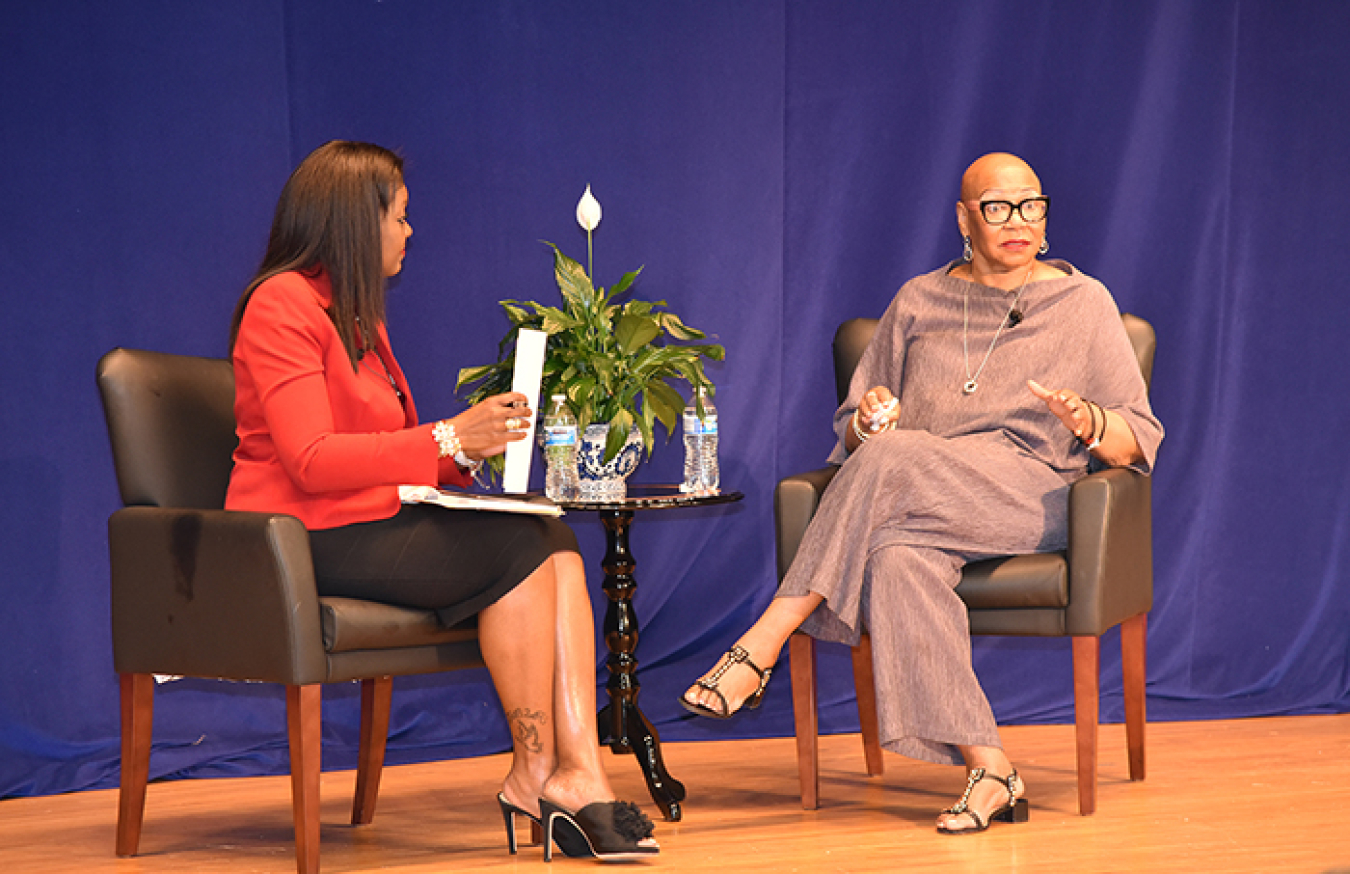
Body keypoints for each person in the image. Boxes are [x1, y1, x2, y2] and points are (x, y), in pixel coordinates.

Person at [681, 152, 1163, 834]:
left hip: (1029, 492)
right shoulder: (917, 299)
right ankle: (992, 768)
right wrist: (870, 418)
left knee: (897, 455)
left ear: (1046, 216)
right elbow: (853, 427)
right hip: (918, 490)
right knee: (896, 559)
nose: (1017, 221)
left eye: (1031, 206)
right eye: (997, 208)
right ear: (965, 219)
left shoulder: (1083, 303)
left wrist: (1087, 420)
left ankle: (762, 642)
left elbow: (1138, 438)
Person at [225, 140, 657, 860]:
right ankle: (540, 770)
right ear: (355, 223)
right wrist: (448, 435)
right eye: (399, 216)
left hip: (367, 517)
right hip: (302, 537)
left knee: (548, 535)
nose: (409, 231)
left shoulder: (359, 318)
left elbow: (396, 449)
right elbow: (309, 459)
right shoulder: (282, 307)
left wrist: (470, 452)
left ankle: (577, 769)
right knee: (519, 551)